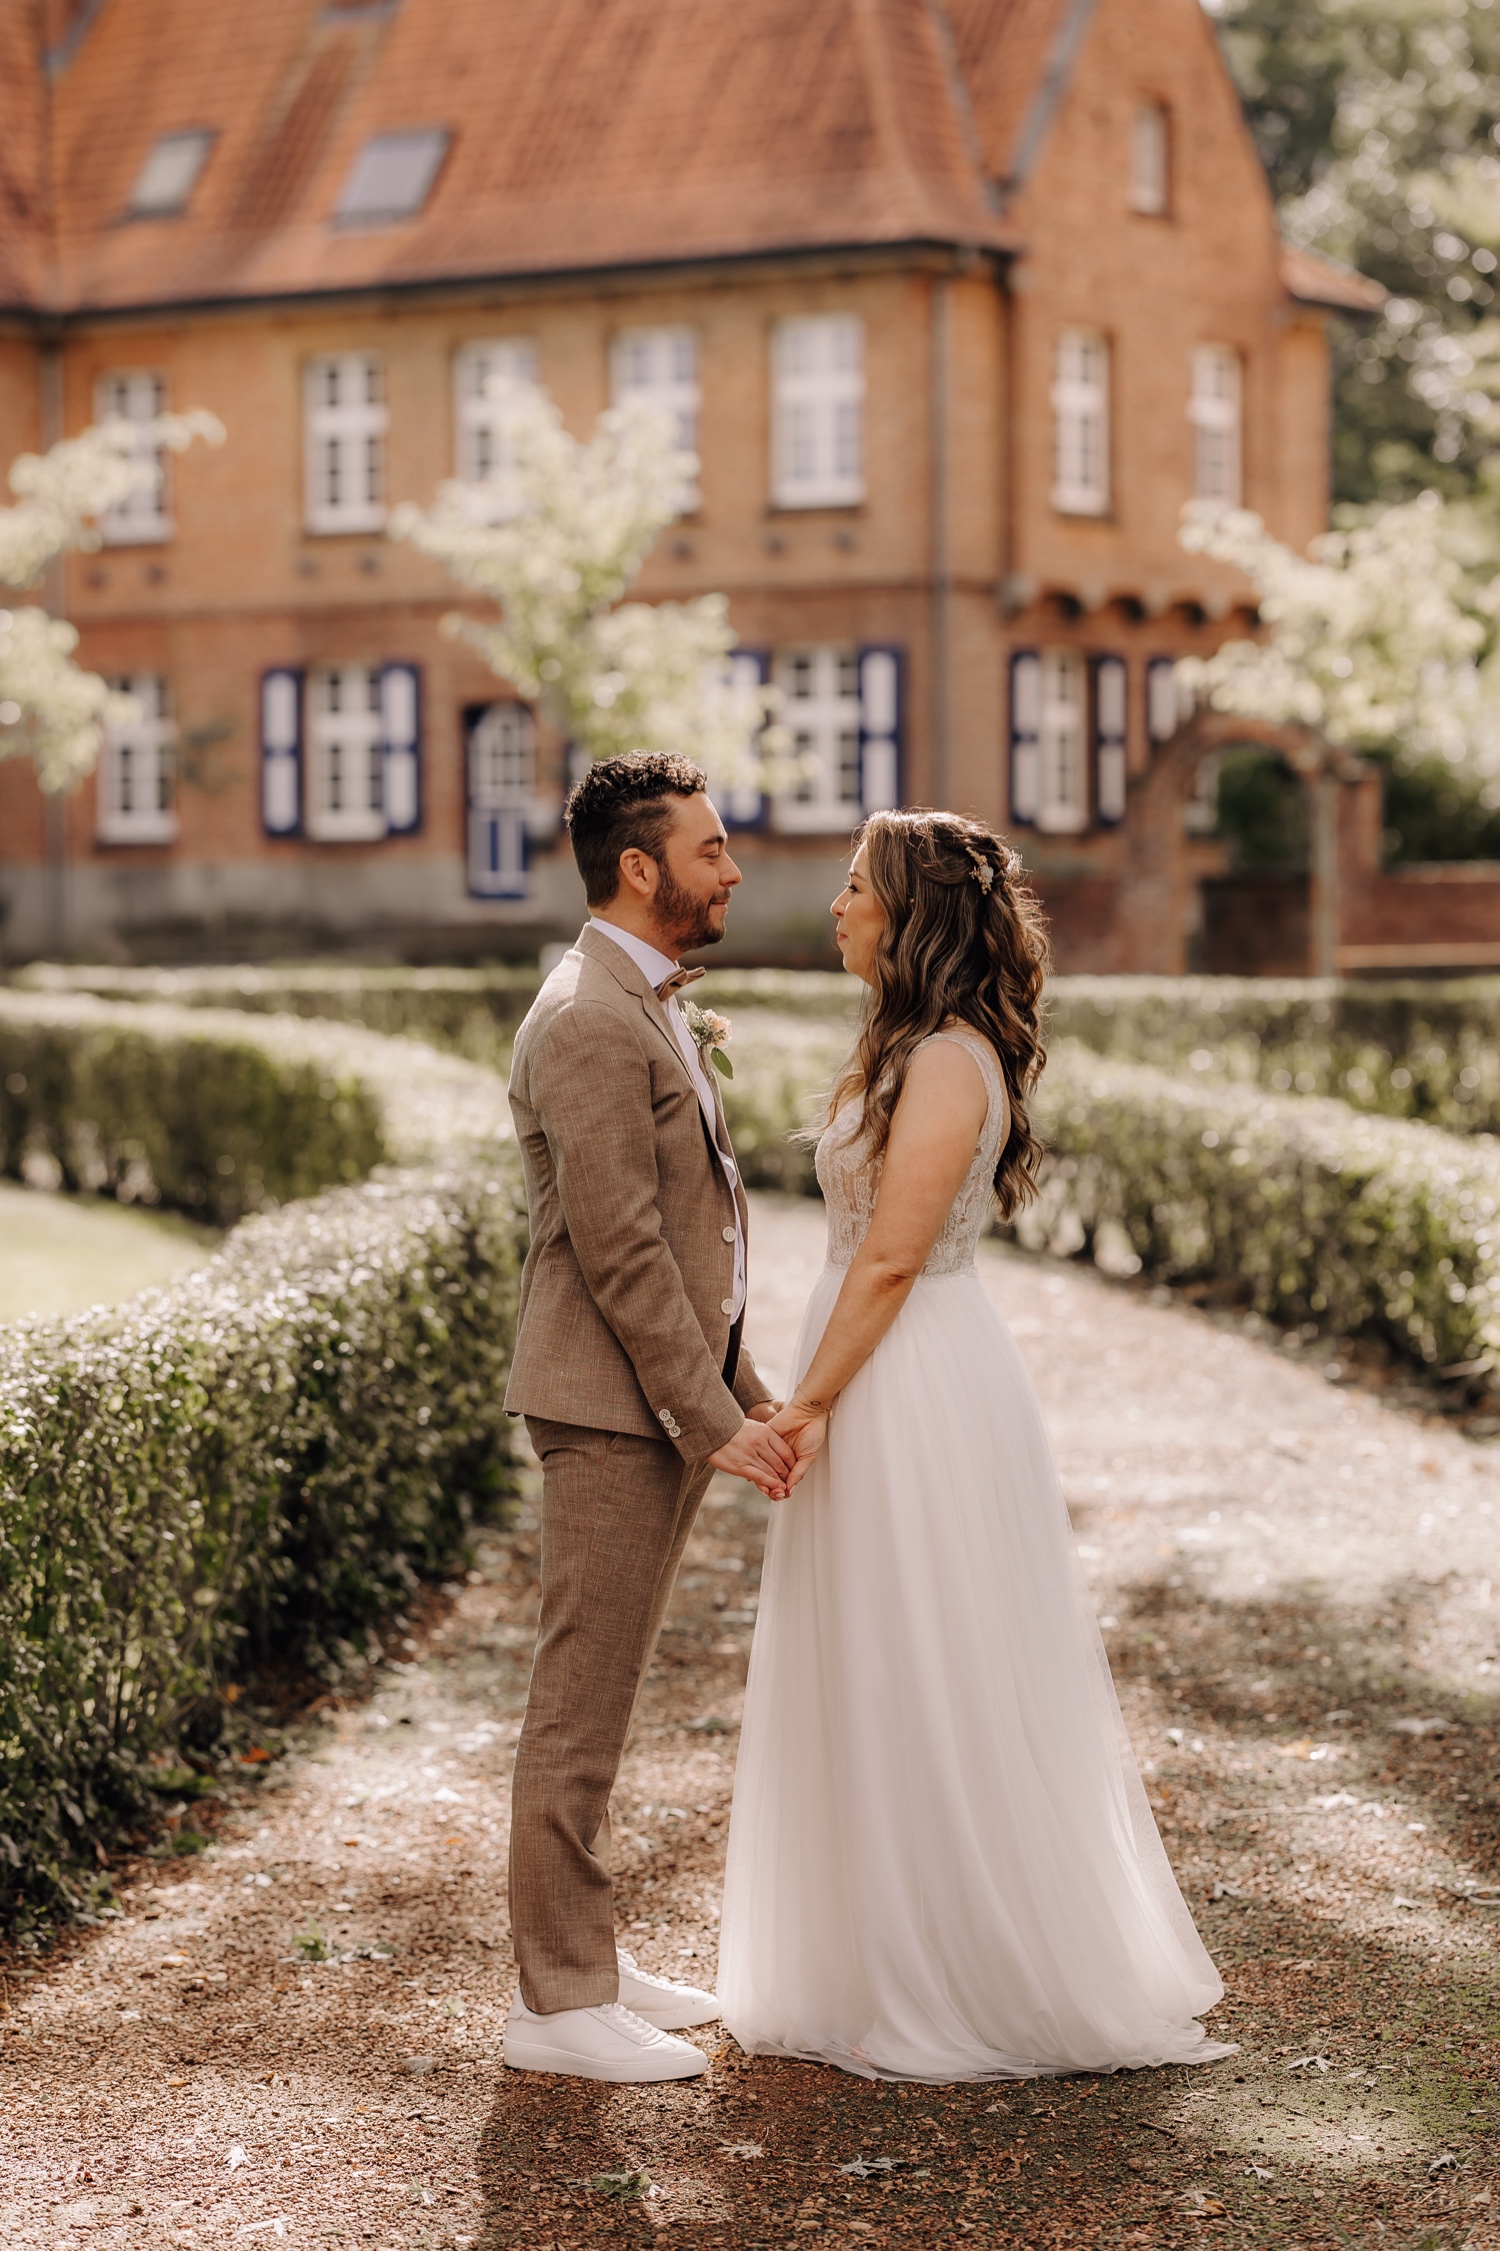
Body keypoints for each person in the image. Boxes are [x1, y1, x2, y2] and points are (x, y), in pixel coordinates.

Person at [718, 809, 1236, 2083]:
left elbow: (892, 1256)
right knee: (870, 1655)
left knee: (924, 1655)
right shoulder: (904, 1047)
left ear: (910, 914)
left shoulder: (949, 1060)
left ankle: (962, 1967)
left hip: (913, 1381)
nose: (834, 906)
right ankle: (870, 1950)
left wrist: (806, 1405)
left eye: (854, 888)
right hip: (877, 1361)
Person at [502, 751, 795, 2084]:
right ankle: (555, 2004)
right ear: (642, 865)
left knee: (606, 1701)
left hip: (655, 1399)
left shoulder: (650, 1003)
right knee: (578, 1705)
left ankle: (592, 1960)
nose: (732, 869)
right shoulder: (585, 1018)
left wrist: (747, 1390)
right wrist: (708, 1416)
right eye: (713, 847)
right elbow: (621, 1251)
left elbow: (690, 1235)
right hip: (610, 1409)